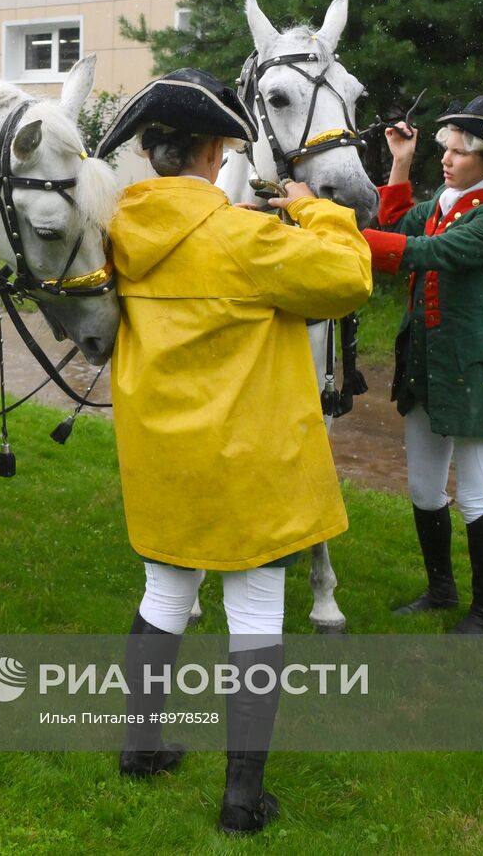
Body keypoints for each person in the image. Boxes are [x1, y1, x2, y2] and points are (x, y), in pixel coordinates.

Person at [94, 68, 372, 835]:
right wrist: (319, 212)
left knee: (164, 596)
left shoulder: (116, 231)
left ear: (153, 152)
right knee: (253, 608)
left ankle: (139, 747)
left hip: (162, 459)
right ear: (216, 151)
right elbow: (350, 279)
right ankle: (242, 797)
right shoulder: (247, 236)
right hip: (251, 463)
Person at [360, 96, 483, 635]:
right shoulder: (448, 197)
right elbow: (392, 218)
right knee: (422, 488)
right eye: (447, 150)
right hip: (425, 361)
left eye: (459, 153)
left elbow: (428, 253)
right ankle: (440, 590)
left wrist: (330, 235)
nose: (448, 160)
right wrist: (399, 160)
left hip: (477, 366)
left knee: (477, 498)